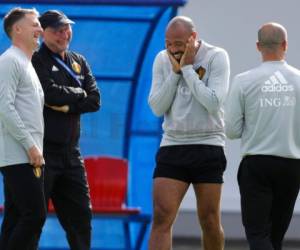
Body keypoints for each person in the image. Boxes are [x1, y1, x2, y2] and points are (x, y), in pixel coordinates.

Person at [148, 16, 230, 250]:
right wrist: (175, 75)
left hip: (208, 144)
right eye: (168, 43)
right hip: (173, 145)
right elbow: (156, 107)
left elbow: (213, 103)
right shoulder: (162, 60)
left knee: (209, 219)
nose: (173, 49)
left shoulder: (216, 56)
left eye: (179, 44)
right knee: (162, 217)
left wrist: (187, 69)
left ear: (193, 38)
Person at [225, 22, 300, 250]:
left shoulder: (243, 81)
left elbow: (231, 130)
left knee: (258, 235)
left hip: (256, 165)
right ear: (285, 45)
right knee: (275, 238)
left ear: (258, 46)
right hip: (291, 165)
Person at [31, 10, 100, 250]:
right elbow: (47, 94)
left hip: (71, 154)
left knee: (81, 217)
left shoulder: (78, 61)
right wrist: (78, 95)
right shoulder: (36, 60)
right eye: (57, 30)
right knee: (32, 219)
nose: (64, 34)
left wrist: (65, 103)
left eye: (66, 28)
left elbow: (95, 100)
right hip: (42, 154)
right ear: (43, 33)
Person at [0, 7, 46, 250]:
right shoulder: (9, 61)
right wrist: (30, 145)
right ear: (17, 29)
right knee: (35, 215)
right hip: (19, 155)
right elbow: (4, 107)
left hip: (25, 155)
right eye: (34, 24)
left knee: (15, 218)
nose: (40, 29)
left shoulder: (26, 63)